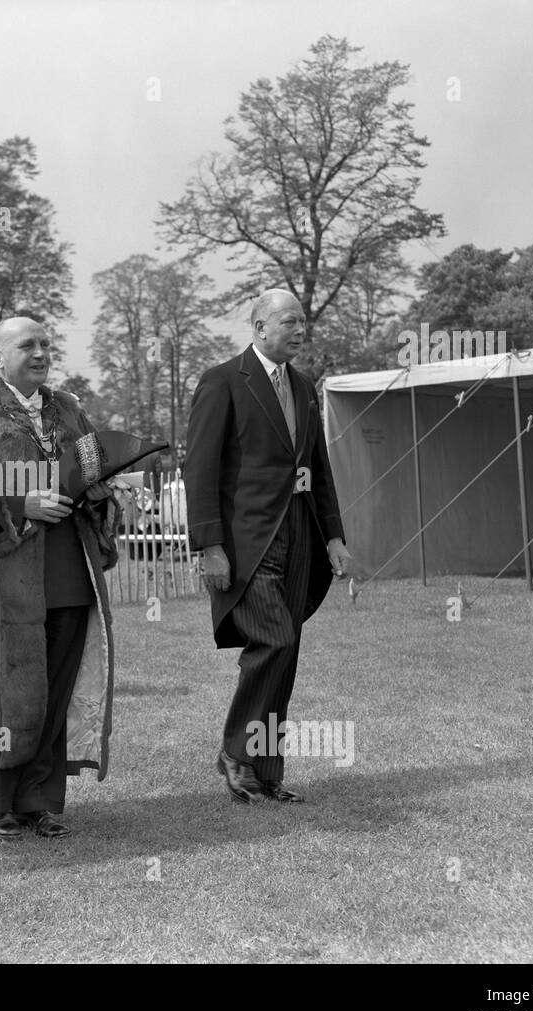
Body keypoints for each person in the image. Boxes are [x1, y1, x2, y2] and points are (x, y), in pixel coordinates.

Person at [0, 317, 120, 840]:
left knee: (55, 690)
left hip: (70, 571)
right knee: (8, 690)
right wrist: (22, 502)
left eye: (45, 344)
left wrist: (105, 490)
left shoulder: (69, 408)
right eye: (26, 345)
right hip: (8, 573)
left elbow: (91, 467)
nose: (39, 353)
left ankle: (42, 799)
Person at [183, 289, 350, 805]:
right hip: (248, 541)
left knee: (287, 650)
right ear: (258, 327)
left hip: (299, 535)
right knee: (275, 639)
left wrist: (335, 537)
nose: (300, 330)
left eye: (303, 322)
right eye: (288, 322)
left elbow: (318, 468)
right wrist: (209, 545)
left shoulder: (303, 387)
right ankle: (237, 753)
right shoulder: (222, 381)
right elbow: (200, 467)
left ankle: (264, 771)